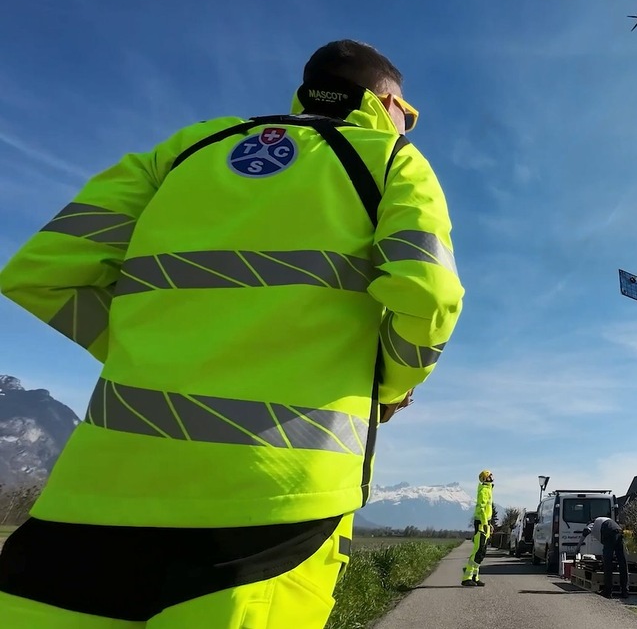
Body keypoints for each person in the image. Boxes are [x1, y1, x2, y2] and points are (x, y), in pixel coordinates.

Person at [0, 39, 464, 628]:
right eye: (410, 115)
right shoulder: (390, 158)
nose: (408, 126)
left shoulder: (185, 148)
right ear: (387, 103)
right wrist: (387, 387)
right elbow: (429, 297)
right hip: (275, 507)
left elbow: (40, 273)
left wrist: (157, 354)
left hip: (91, 502)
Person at [579, 515, 629, 598]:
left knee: (607, 563)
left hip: (609, 534)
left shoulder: (593, 523)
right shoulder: (604, 519)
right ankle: (625, 591)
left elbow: (586, 531)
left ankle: (608, 591)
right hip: (619, 532)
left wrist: (578, 547)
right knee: (622, 562)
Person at [463, 470, 495, 587]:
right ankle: (467, 578)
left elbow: (486, 510)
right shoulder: (484, 491)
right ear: (485, 478)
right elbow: (481, 509)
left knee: (482, 552)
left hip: (485, 523)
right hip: (482, 524)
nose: (492, 477)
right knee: (477, 550)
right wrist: (485, 523)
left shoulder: (488, 489)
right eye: (489, 476)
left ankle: (475, 577)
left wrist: (489, 524)